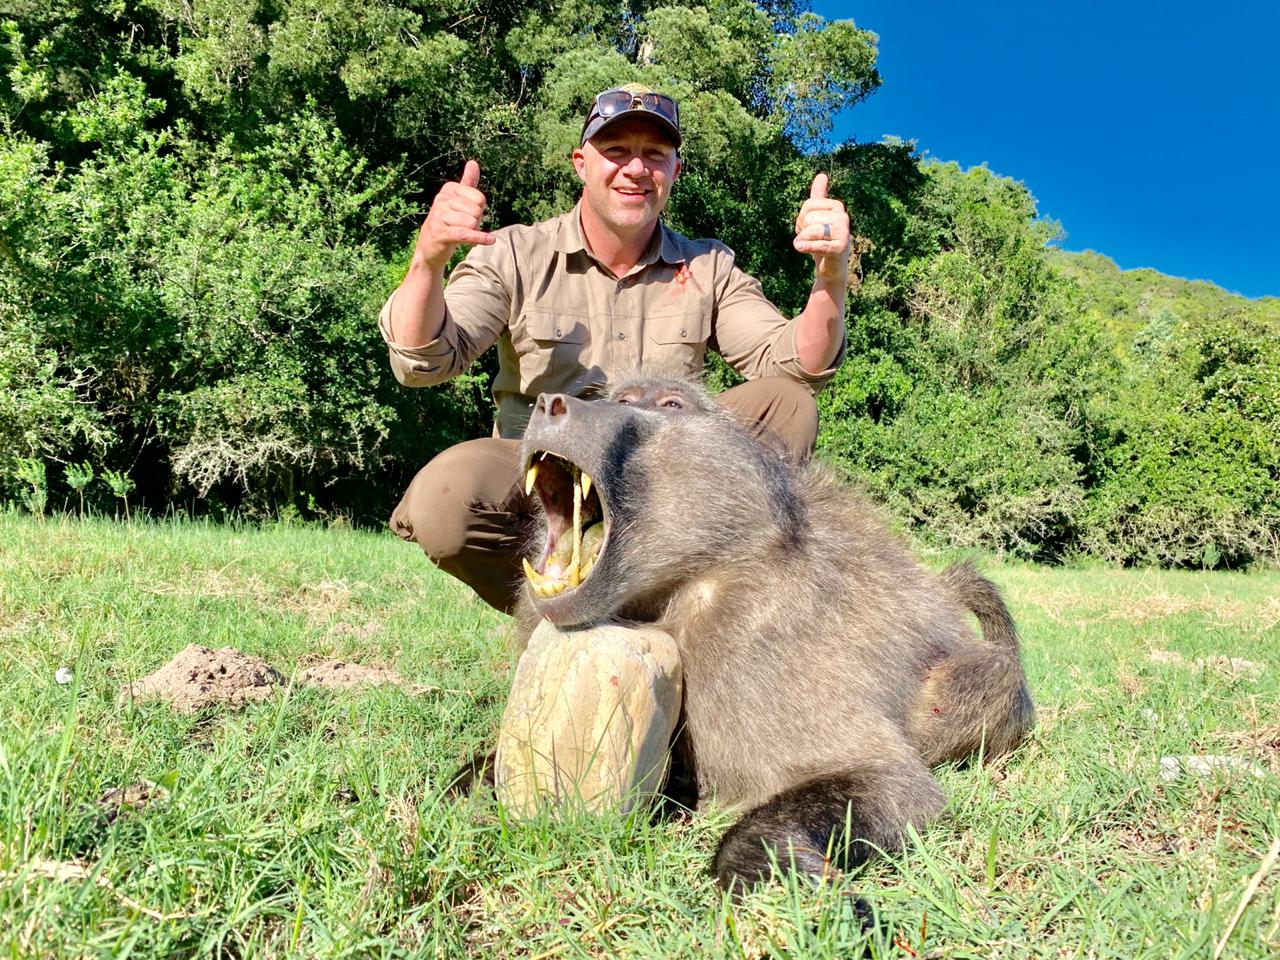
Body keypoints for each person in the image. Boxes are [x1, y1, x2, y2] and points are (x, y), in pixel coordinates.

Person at [379, 84, 854, 612]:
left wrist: (832, 275)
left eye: (654, 154)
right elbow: (423, 360)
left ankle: (691, 602)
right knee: (443, 506)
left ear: (674, 171)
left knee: (790, 403)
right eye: (616, 151)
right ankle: (566, 605)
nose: (635, 168)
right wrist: (428, 260)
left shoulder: (708, 266)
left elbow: (798, 363)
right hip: (545, 477)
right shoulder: (515, 251)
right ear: (581, 163)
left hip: (664, 481)